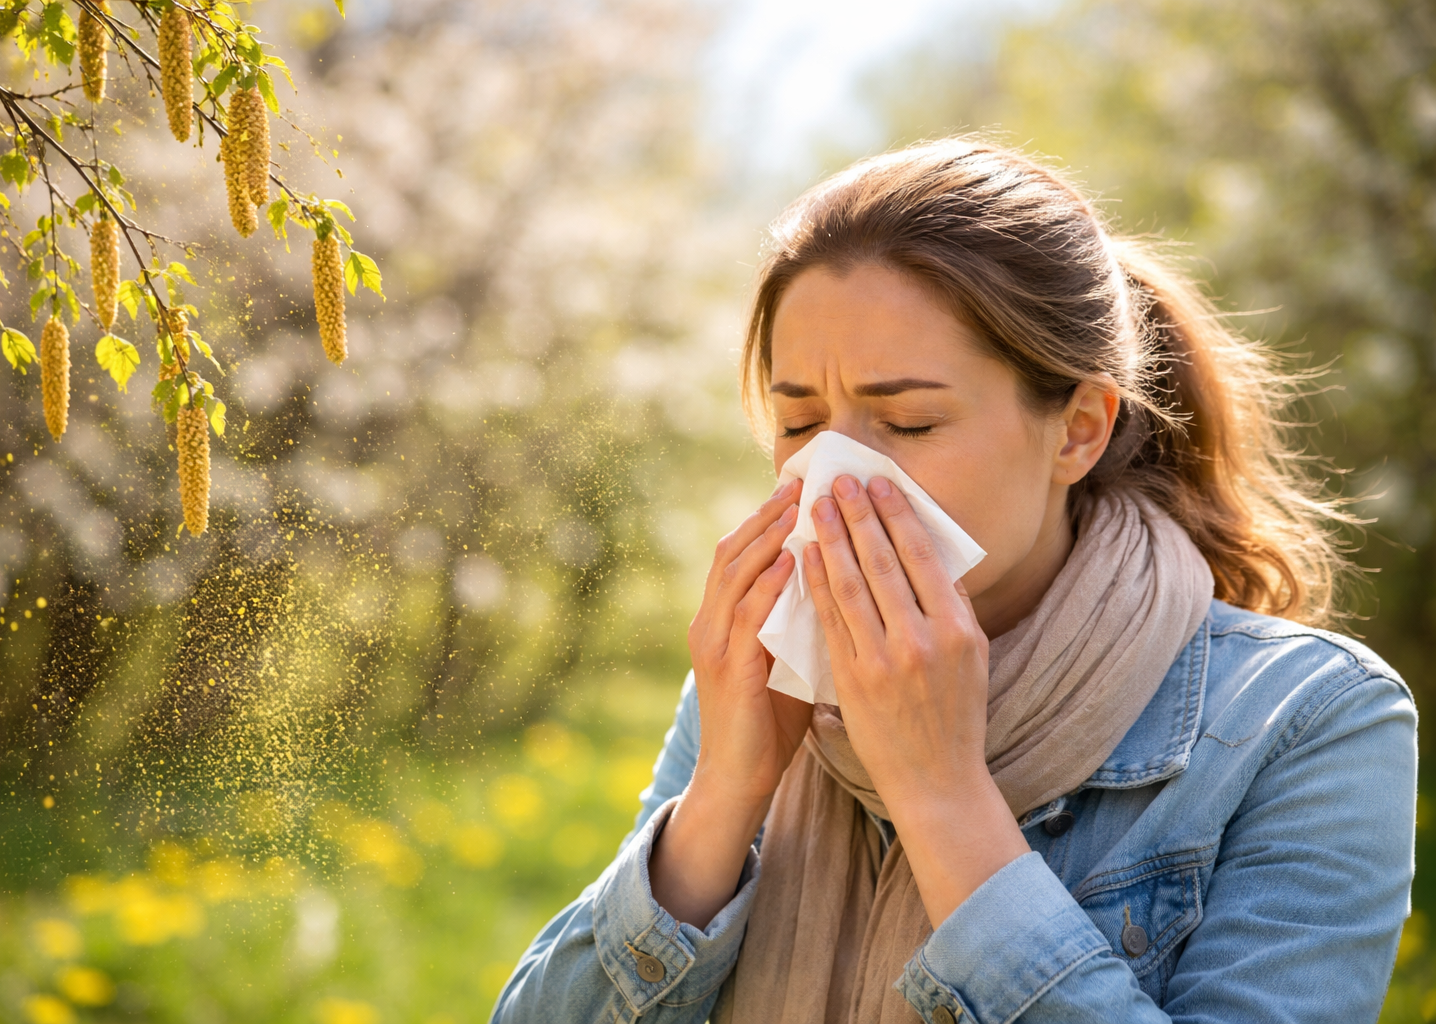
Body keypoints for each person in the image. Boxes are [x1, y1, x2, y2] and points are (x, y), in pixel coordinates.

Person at [490, 138, 1418, 1023]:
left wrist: (940, 794)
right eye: (802, 423)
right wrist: (729, 788)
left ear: (1079, 429)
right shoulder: (756, 689)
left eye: (911, 424)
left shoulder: (1307, 725)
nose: (839, 478)